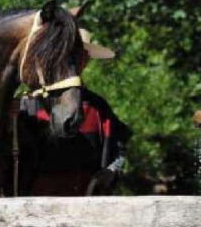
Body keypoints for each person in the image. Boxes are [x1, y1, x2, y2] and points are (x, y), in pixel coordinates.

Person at [22, 28, 131, 196]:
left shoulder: (98, 107)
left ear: (86, 60)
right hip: (34, 207)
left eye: (78, 56)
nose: (73, 61)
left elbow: (119, 150)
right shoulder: (29, 105)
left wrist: (110, 171)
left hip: (84, 206)